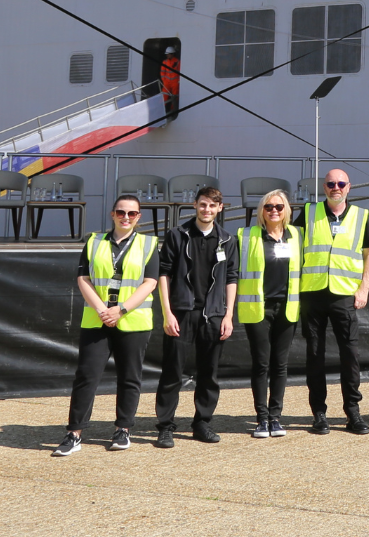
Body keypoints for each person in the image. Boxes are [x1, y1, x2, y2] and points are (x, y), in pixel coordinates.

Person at [54, 195, 161, 456]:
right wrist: (103, 310)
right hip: (97, 320)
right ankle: (74, 433)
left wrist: (121, 309)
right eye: (121, 212)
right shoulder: (93, 241)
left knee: (130, 377)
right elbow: (83, 278)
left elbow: (150, 282)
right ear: (112, 214)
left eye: (132, 214)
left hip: (132, 320)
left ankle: (123, 429)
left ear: (139, 217)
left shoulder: (149, 244)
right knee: (86, 376)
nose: (126, 217)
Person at [152, 185, 238, 447]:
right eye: (203, 204)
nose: (207, 209)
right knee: (172, 372)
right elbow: (163, 274)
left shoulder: (227, 239)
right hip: (182, 313)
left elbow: (232, 278)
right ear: (195, 205)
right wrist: (168, 313)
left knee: (209, 374)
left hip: (213, 315)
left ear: (220, 209)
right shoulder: (178, 235)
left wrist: (228, 316)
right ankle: (165, 426)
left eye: (212, 205)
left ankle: (202, 423)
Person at [300, 167, 369, 434]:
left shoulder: (361, 215)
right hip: (312, 293)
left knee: (350, 355)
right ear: (324, 187)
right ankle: (319, 414)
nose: (336, 187)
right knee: (314, 355)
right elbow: (293, 249)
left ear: (349, 187)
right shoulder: (308, 213)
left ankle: (352, 412)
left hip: (344, 295)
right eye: (331, 183)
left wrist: (364, 288)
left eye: (341, 183)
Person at [236, 188, 302, 438]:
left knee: (280, 364)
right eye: (268, 207)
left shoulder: (297, 235)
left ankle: (276, 417)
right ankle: (261, 418)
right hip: (258, 308)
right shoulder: (247, 235)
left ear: (286, 210)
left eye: (279, 207)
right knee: (261, 364)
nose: (274, 211)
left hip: (287, 307)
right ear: (261, 211)